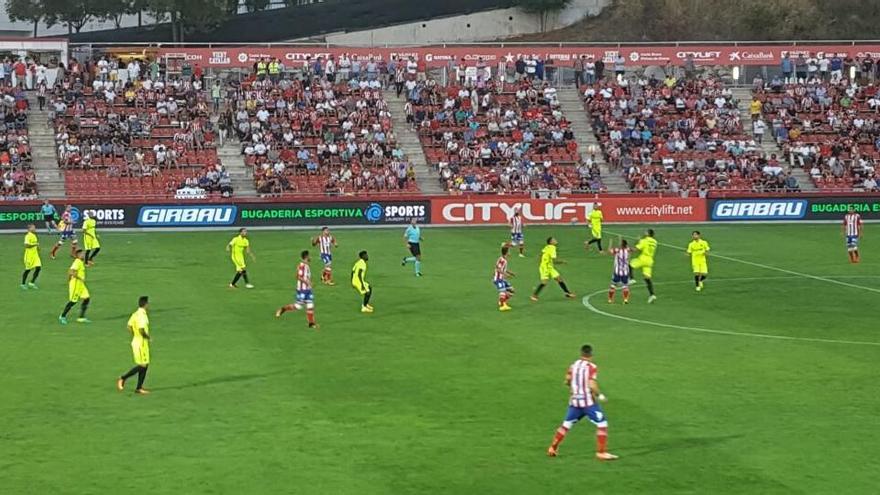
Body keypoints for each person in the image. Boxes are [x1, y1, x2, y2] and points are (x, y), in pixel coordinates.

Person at [547, 344, 618, 461]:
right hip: (588, 403)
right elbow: (592, 385)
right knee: (602, 424)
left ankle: (552, 448)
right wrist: (600, 396)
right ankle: (601, 452)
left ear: (581, 354)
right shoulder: (592, 367)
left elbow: (567, 380)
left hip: (575, 402)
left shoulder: (573, 365)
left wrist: (573, 388)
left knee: (566, 425)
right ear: (591, 355)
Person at [117, 296, 152, 394]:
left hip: (137, 341)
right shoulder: (142, 316)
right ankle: (123, 378)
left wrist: (134, 334)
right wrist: (148, 337)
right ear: (145, 304)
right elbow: (141, 330)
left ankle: (139, 388)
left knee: (145, 364)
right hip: (140, 343)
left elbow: (129, 326)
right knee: (143, 365)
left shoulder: (135, 314)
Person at [275, 250, 318, 329]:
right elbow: (298, 276)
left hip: (308, 290)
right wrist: (308, 283)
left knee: (310, 305)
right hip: (302, 290)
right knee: (298, 306)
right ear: (306, 257)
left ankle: (311, 323)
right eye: (309, 256)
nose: (310, 257)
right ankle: (283, 309)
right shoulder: (302, 266)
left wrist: (309, 283)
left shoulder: (307, 266)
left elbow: (306, 277)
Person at [59, 249, 91, 325]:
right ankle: (62, 316)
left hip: (81, 285)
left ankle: (81, 317)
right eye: (82, 254)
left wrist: (69, 279)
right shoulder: (77, 262)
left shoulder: (80, 262)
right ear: (78, 255)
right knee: (73, 301)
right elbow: (71, 271)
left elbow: (70, 272)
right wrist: (77, 278)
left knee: (87, 298)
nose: (83, 255)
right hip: (76, 284)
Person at [630, 229, 658, 303]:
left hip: (643, 258)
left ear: (648, 234)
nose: (644, 233)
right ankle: (652, 295)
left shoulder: (644, 240)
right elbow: (646, 246)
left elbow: (636, 249)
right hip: (650, 260)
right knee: (647, 278)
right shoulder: (655, 242)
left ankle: (631, 279)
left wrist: (630, 248)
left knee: (630, 264)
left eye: (646, 232)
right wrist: (640, 241)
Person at [606, 238, 630, 304]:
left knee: (613, 285)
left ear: (622, 244)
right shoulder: (627, 250)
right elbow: (634, 249)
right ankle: (625, 300)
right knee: (625, 286)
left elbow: (609, 251)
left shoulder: (617, 250)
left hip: (617, 271)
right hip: (625, 271)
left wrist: (610, 243)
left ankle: (610, 300)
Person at [494, 246, 516, 311]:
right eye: (509, 251)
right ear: (506, 252)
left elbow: (502, 268)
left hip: (502, 279)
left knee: (511, 290)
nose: (510, 252)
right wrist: (506, 274)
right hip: (498, 279)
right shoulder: (502, 260)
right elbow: (498, 269)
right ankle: (502, 306)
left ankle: (502, 302)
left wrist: (510, 272)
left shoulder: (503, 259)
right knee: (502, 291)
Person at [21, 224, 41, 290]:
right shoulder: (27, 236)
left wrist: (37, 247)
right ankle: (23, 284)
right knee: (28, 270)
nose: (35, 228)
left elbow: (35, 244)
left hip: (35, 255)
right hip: (29, 255)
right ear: (29, 229)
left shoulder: (34, 235)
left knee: (38, 268)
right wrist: (35, 244)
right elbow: (26, 245)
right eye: (33, 228)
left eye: (35, 227)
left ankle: (31, 283)